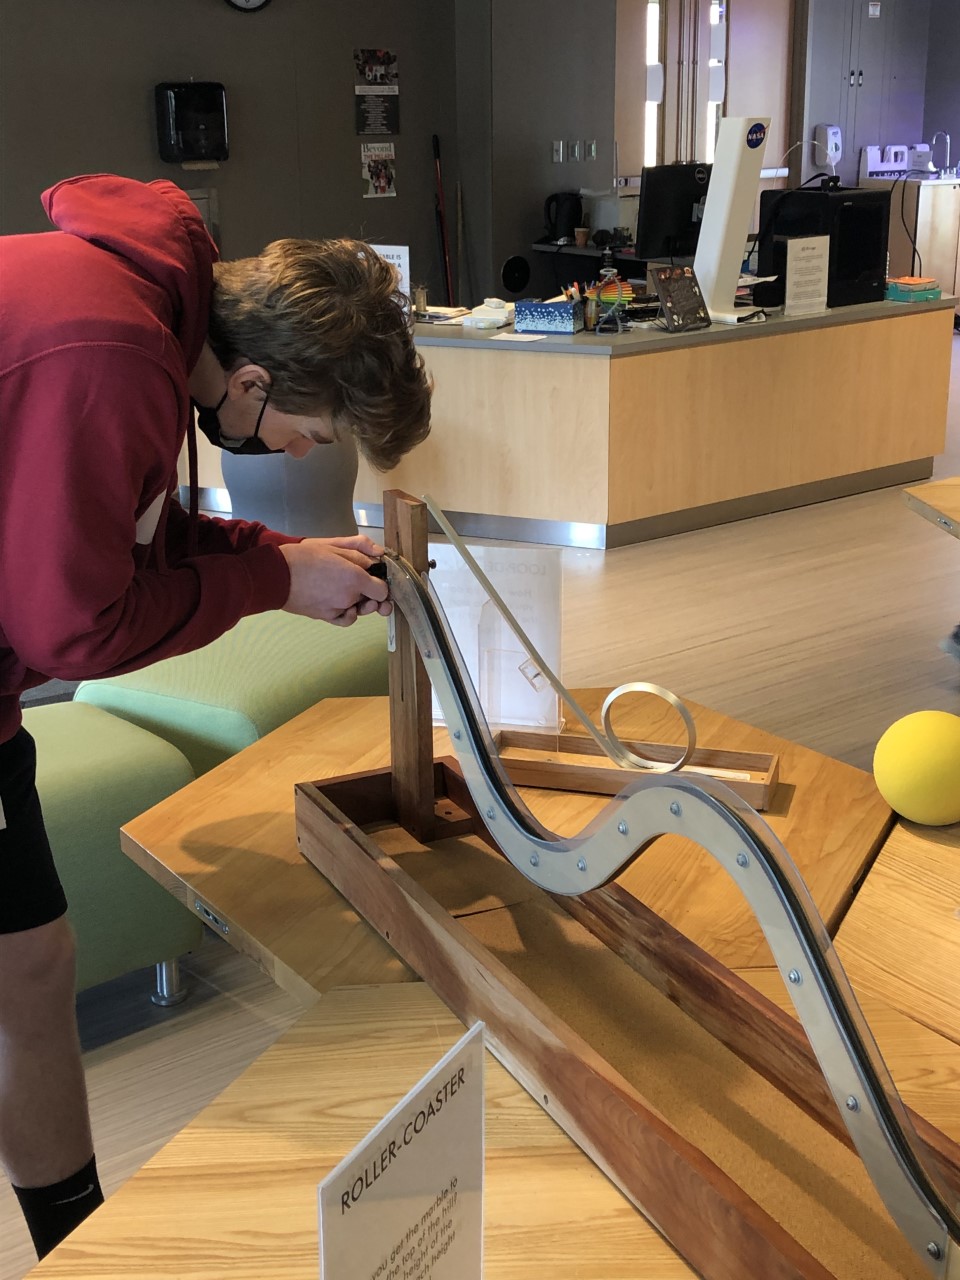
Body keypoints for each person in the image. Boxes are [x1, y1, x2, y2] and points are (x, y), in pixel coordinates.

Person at [0, 173, 431, 1258]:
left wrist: (282, 559)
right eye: (304, 431)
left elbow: (130, 533)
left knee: (31, 957)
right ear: (247, 381)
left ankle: (74, 1238)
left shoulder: (137, 314)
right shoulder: (107, 353)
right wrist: (275, 585)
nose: (296, 454)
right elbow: (76, 628)